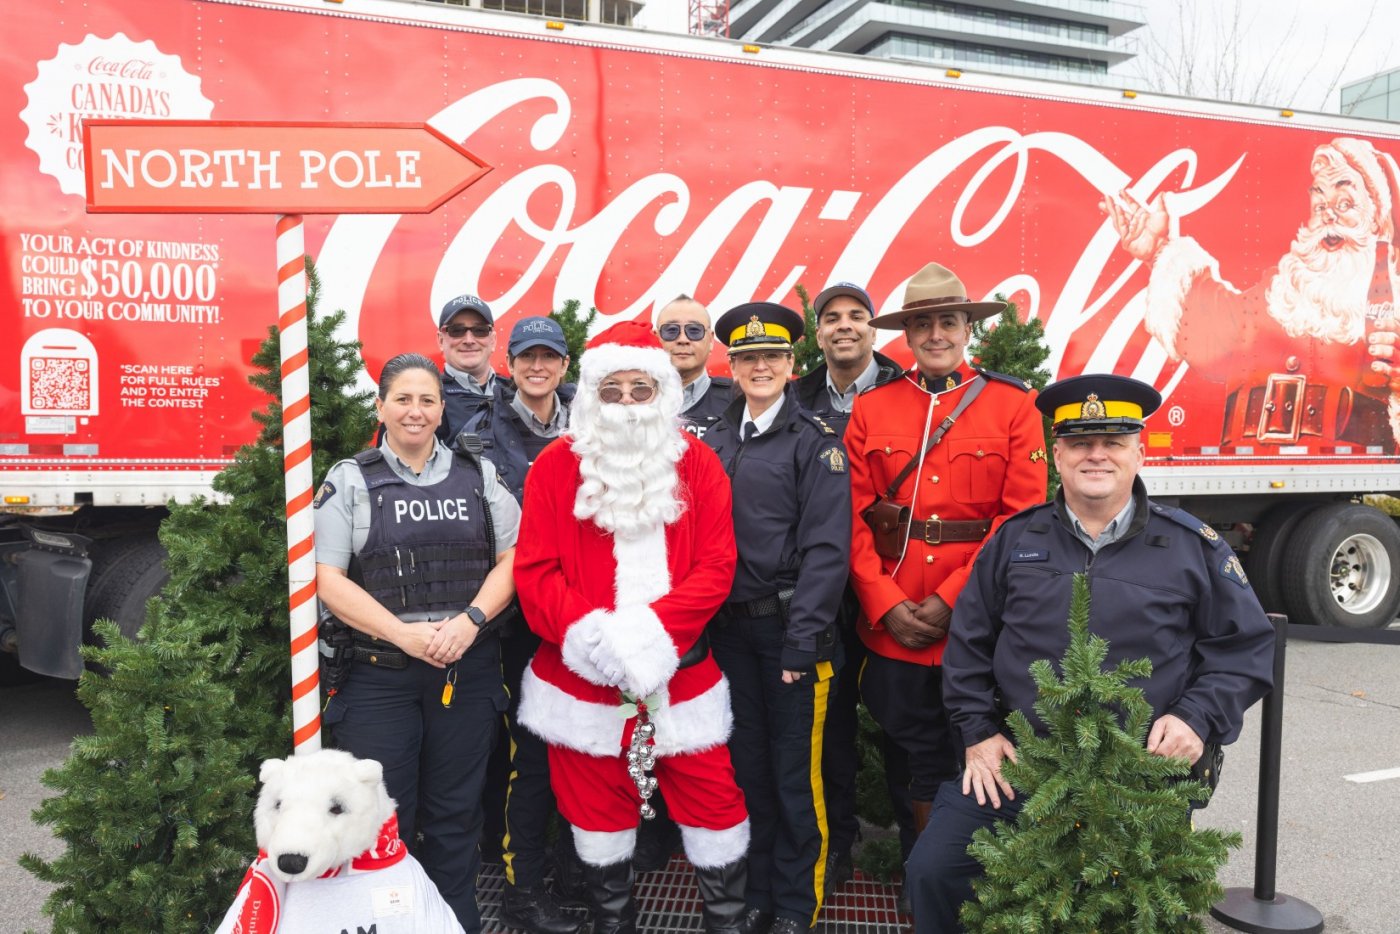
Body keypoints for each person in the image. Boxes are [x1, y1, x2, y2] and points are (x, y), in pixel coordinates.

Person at [905, 373, 1276, 931]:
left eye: (1114, 442)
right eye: (1080, 442)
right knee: (932, 871)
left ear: (1139, 451)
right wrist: (978, 735)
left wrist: (1196, 718)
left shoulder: (1190, 546)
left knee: (1127, 911)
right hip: (1020, 766)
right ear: (1057, 453)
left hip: (1139, 773)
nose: (1096, 455)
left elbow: (1245, 649)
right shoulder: (1015, 541)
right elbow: (969, 647)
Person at [514, 321, 750, 934]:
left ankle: (724, 922)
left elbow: (717, 566)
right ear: (590, 396)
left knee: (715, 807)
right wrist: (597, 642)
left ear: (662, 394)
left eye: (640, 389)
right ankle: (612, 924)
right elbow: (535, 572)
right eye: (611, 389)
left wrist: (650, 640)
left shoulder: (697, 464)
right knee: (595, 817)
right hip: (582, 681)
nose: (624, 403)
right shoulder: (553, 467)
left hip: (683, 676)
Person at [845, 263, 1048, 884]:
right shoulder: (873, 409)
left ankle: (977, 883)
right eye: (923, 323)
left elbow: (1021, 521)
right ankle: (921, 878)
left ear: (968, 329)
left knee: (980, 755)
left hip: (976, 623)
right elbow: (849, 520)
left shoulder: (1014, 405)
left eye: (948, 321)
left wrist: (953, 601)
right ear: (906, 332)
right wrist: (884, 602)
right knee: (910, 757)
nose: (936, 333)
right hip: (894, 624)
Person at [313, 352, 522, 932]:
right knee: (382, 822)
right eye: (403, 399)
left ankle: (456, 923)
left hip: (465, 671)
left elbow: (513, 558)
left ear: (441, 409)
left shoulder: (477, 475)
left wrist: (471, 620)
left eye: (427, 399)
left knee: (457, 819)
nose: (416, 410)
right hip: (379, 677)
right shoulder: (350, 478)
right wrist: (401, 634)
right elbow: (325, 577)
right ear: (381, 407)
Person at [703, 302, 852, 934]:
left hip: (793, 636)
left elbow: (828, 552)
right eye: (746, 357)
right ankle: (759, 891)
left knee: (797, 780)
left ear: (792, 364)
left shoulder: (815, 444)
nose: (758, 366)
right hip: (731, 634)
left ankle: (797, 905)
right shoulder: (713, 438)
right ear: (732, 367)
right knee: (750, 773)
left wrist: (802, 644)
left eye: (771, 356)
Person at [1102, 137, 1400, 449]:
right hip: (1252, 457)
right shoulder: (1280, 293)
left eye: (1344, 204)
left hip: (1338, 461)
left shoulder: (1386, 307)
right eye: (1320, 205)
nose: (1328, 217)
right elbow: (1213, 328)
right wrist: (1158, 250)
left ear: (1377, 220)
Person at [459, 316, 583, 934]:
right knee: (529, 757)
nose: (538, 367)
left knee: (583, 749)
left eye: (550, 357)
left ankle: (571, 871)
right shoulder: (480, 432)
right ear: (510, 363)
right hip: (518, 624)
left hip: (583, 619)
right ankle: (522, 888)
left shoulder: (592, 423)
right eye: (527, 357)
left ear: (565, 365)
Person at [792, 281, 903, 893]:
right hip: (823, 593)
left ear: (873, 328)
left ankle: (918, 849)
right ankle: (834, 845)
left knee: (901, 721)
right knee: (827, 728)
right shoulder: (794, 393)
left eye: (856, 316)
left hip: (893, 585)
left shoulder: (909, 390)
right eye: (831, 317)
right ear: (818, 332)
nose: (844, 326)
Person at [656, 294, 735, 438]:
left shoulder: (739, 401)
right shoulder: (632, 399)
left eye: (694, 330)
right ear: (656, 338)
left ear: (710, 340)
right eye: (671, 330)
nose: (683, 339)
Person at [436, 293, 508, 444]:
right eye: (457, 330)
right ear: (441, 340)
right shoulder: (425, 397)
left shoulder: (515, 392)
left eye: (479, 330)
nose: (469, 340)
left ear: (493, 340)